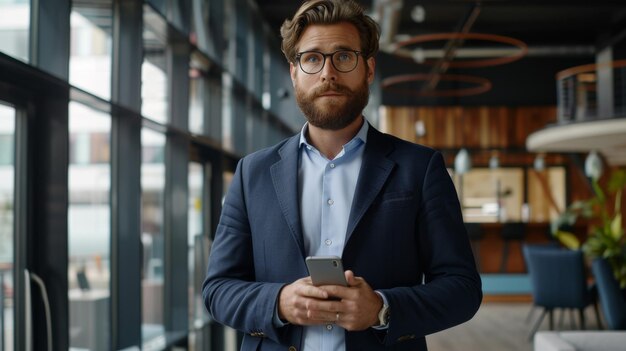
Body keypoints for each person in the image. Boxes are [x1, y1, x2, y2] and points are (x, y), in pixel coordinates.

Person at [202, 0, 482, 350]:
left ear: (368, 69)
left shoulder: (420, 168)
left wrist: (382, 308)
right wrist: (279, 302)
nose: (327, 73)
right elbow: (217, 290)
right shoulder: (251, 173)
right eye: (312, 58)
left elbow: (463, 288)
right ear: (294, 72)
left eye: (344, 56)